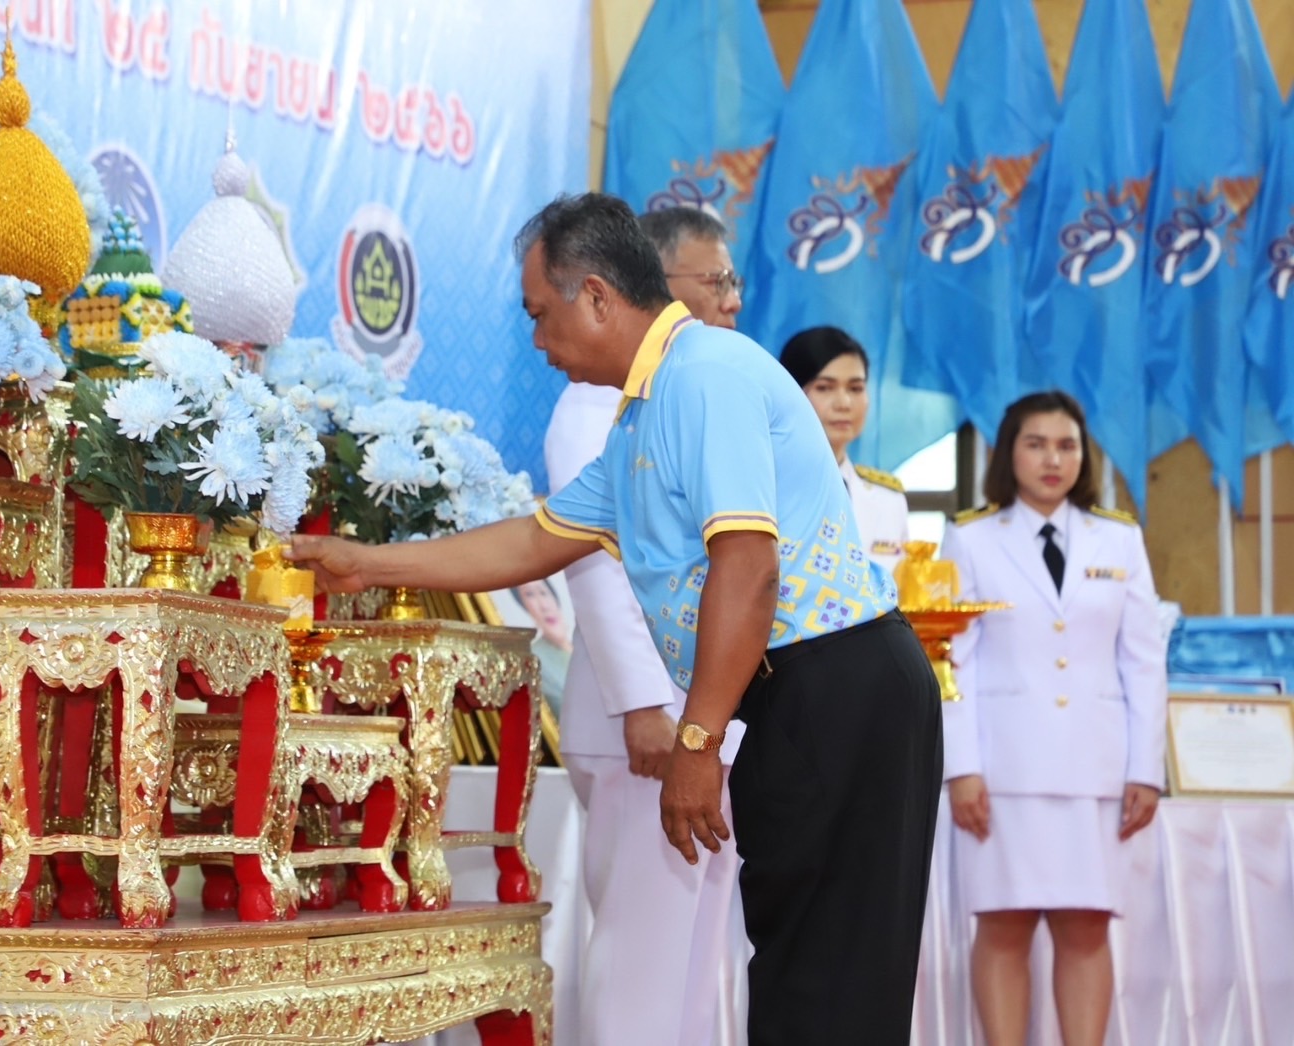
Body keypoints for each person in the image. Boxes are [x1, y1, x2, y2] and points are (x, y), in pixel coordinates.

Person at [291, 193, 943, 1044]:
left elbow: (748, 569)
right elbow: (534, 540)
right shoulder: (643, 415)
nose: (536, 342)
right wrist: (367, 564)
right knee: (796, 972)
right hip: (796, 698)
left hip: (839, 688)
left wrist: (696, 742)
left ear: (596, 295)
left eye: (540, 314)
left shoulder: (704, 376)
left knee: (833, 984)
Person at [543, 204, 748, 1045]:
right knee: (643, 968)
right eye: (717, 281)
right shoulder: (594, 408)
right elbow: (597, 571)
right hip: (649, 729)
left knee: (697, 974)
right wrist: (641, 705)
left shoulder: (692, 393)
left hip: (701, 725)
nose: (733, 301)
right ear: (659, 287)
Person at [941, 391, 1166, 1046]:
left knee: (1086, 927)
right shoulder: (972, 537)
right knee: (1004, 925)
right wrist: (962, 768)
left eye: (1066, 445)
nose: (1052, 459)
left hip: (1095, 771)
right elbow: (953, 660)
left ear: (1083, 456)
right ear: (1009, 451)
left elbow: (1144, 662)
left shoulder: (1119, 538)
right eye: (1035, 443)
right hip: (1002, 772)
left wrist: (1146, 770)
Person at [779, 326, 908, 574]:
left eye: (855, 388)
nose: (844, 403)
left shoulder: (889, 499)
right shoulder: (766, 490)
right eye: (825, 387)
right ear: (790, 395)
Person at [508, 578, 572, 717]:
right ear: (523, 605)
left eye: (543, 592)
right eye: (530, 594)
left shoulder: (584, 643)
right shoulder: (534, 660)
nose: (544, 605)